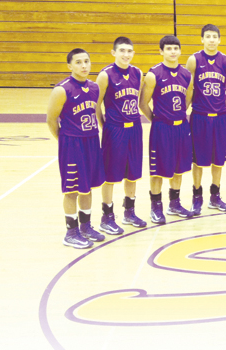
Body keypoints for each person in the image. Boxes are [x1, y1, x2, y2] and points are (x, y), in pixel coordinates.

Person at [46, 48, 105, 248]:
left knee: (87, 188)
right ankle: (71, 233)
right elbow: (51, 120)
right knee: (71, 190)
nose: (84, 66)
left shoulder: (95, 87)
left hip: (91, 141)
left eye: (87, 61)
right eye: (78, 62)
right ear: (70, 66)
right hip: (72, 143)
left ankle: (86, 227)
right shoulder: (62, 89)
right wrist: (63, 140)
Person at [139, 35, 195, 224]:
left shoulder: (186, 74)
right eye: (168, 48)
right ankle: (156, 207)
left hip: (180, 127)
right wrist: (156, 120)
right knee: (158, 170)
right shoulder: (154, 74)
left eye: (175, 48)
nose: (172, 52)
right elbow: (143, 103)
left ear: (180, 51)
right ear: (161, 51)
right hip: (161, 128)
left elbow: (188, 98)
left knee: (178, 168)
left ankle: (174, 203)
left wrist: (178, 115)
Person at [95, 36, 147, 235]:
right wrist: (105, 126)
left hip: (134, 127)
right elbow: (96, 104)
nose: (126, 54)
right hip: (114, 128)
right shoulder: (105, 75)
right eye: (122, 50)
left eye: (130, 51)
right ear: (113, 52)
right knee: (111, 175)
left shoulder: (137, 73)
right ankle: (106, 217)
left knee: (132, 172)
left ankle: (129, 212)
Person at [187, 24, 226, 214]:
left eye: (215, 36)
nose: (211, 40)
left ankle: (215, 196)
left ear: (219, 39)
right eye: (208, 36)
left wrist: (220, 105)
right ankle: (197, 196)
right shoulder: (194, 60)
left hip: (220, 118)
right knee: (198, 160)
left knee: (218, 159)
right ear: (202, 39)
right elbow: (189, 89)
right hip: (199, 117)